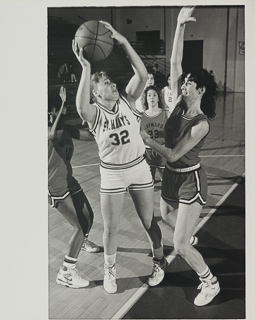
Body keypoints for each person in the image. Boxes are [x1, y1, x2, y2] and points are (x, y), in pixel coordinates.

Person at [72, 20, 166, 294]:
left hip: (138, 169)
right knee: (111, 229)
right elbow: (80, 106)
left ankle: (159, 261)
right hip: (112, 174)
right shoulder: (94, 113)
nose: (111, 84)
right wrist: (87, 68)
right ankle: (109, 271)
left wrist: (123, 42)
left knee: (149, 221)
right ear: (95, 92)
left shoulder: (127, 99)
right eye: (104, 83)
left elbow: (142, 71)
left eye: (111, 81)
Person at [140, 7, 220, 306]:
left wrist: (147, 140)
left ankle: (209, 282)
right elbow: (174, 60)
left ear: (199, 90)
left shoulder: (200, 124)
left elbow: (173, 153)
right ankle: (189, 234)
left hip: (189, 180)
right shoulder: (176, 103)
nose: (182, 83)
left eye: (188, 82)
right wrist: (179, 25)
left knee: (181, 244)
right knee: (167, 215)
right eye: (182, 80)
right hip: (172, 176)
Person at [48, 86, 100, 288]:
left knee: (89, 216)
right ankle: (66, 273)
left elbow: (88, 135)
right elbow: (53, 135)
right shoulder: (45, 129)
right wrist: (62, 104)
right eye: (56, 110)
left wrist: (104, 128)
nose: (59, 113)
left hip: (68, 180)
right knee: (80, 225)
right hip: (55, 187)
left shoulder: (65, 128)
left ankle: (80, 241)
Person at [140, 85, 170, 181]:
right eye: (149, 95)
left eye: (154, 95)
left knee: (165, 180)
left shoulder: (166, 113)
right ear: (146, 99)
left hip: (162, 149)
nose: (152, 97)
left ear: (158, 98)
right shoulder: (141, 116)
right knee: (149, 181)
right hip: (147, 151)